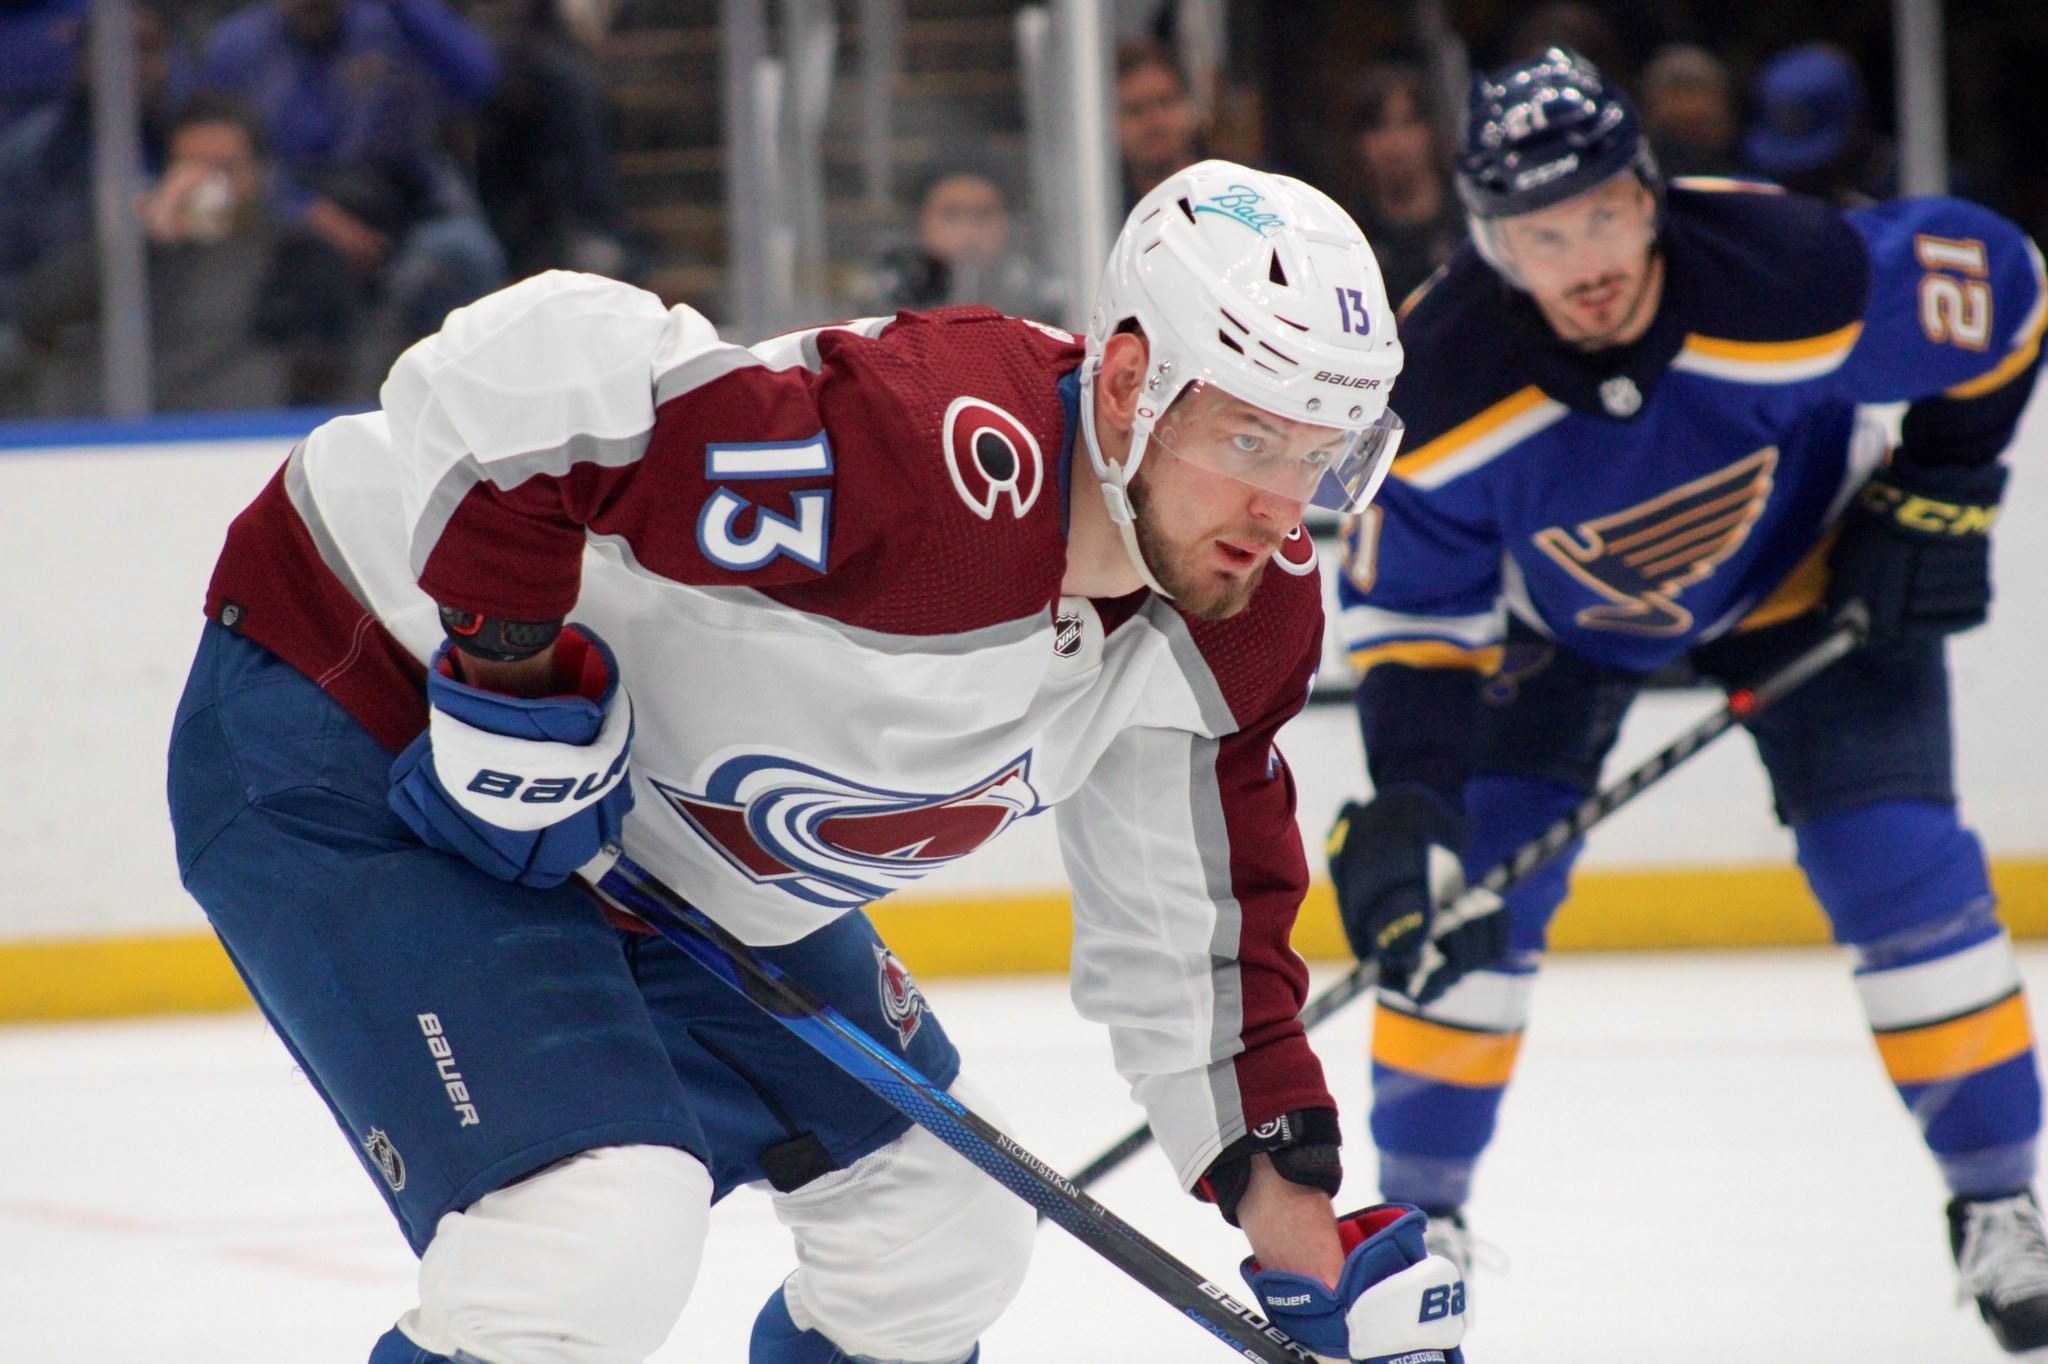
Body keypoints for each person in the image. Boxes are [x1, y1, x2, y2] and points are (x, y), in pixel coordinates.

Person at [166, 159, 1467, 1364]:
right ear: (1128, 384)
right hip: (359, 699)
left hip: (654, 852)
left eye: (1321, 457)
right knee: (593, 1241)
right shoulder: (926, 460)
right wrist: (506, 676)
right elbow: (532, 372)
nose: (1282, 510)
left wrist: (1306, 1245)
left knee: (945, 1232)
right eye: (1248, 440)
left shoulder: (1236, 612)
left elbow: (1194, 933)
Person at [1328, 48, 2048, 1356]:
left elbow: (2001, 283)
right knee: (1469, 899)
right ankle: (1416, 1226)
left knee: (1899, 864)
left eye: (1603, 214)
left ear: (1648, 194)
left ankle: (1999, 1199)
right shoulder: (1431, 384)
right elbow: (1415, 623)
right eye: (1542, 236)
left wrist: (1945, 484)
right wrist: (1415, 799)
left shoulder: (1788, 275)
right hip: (1557, 628)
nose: (1585, 261)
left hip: (1810, 565)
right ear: (1490, 243)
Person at [860, 161, 1062, 321]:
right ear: (920, 222)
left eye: (983, 215)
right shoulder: (888, 294)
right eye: (951, 214)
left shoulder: (1038, 295)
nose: (968, 232)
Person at [1343, 61, 1464, 308]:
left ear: (1431, 129)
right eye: (1378, 128)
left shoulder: (1471, 224)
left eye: (1407, 123)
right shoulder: (1347, 234)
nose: (1394, 145)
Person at [1741, 42, 1896, 208]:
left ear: (1856, 127)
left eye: (1818, 168)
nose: (1802, 175)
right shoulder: (1758, 186)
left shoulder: (1902, 179)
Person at [1116, 39, 1203, 211]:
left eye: (1165, 102)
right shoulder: (1101, 209)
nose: (1154, 121)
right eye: (1135, 110)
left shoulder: (1238, 183)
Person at [1637, 42, 1738, 181]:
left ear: (1728, 123)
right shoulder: (1620, 189)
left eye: (1700, 126)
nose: (1686, 143)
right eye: (1672, 128)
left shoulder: (1756, 188)